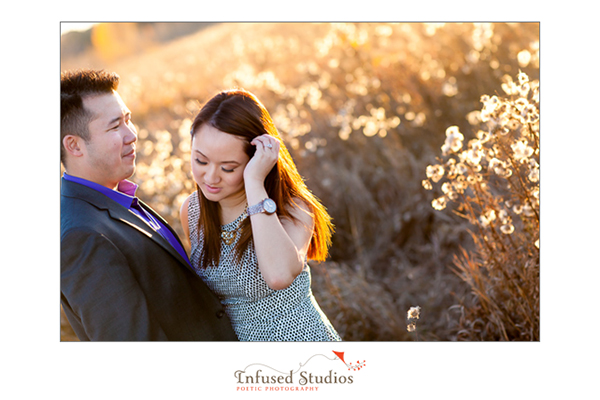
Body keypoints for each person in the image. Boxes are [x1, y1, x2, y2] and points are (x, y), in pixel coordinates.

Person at [60, 69, 237, 341]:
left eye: (127, 120)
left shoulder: (114, 195)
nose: (131, 134)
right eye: (114, 125)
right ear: (74, 145)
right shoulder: (81, 237)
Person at [180, 89, 341, 341]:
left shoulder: (292, 209)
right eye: (200, 161)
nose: (211, 177)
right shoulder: (192, 212)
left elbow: (278, 276)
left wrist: (255, 182)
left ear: (256, 160)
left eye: (228, 167)